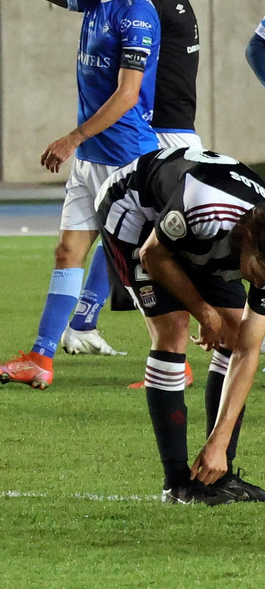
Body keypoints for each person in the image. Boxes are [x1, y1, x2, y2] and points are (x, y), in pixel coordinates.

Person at [0, 0, 161, 391]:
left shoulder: (136, 12)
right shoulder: (90, 0)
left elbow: (126, 96)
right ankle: (40, 358)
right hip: (90, 161)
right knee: (68, 251)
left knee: (148, 264)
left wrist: (71, 138)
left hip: (125, 159)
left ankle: (174, 363)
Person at [64, 0, 204, 359]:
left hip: (179, 128)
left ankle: (86, 320)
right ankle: (205, 330)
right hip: (156, 132)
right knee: (170, 237)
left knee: (142, 234)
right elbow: (131, 80)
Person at [95, 145, 265, 504]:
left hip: (206, 237)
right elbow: (152, 255)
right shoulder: (208, 211)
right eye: (261, 274)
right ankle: (176, 483)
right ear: (247, 241)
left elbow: (249, 349)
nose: (261, 285)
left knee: (234, 336)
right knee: (172, 329)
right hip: (136, 213)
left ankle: (218, 475)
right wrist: (204, 312)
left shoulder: (259, 247)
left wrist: (218, 442)